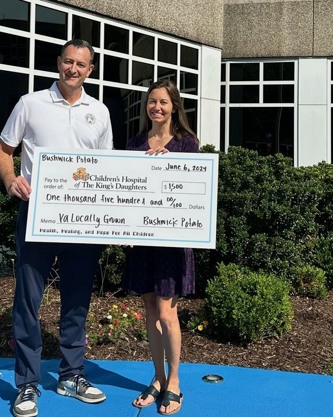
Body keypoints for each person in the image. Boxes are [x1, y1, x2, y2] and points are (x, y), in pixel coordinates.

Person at [0, 39, 113, 417]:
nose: (73, 69)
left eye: (81, 64)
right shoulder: (30, 103)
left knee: (77, 299)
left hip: (84, 221)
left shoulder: (100, 111)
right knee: (27, 301)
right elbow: (3, 150)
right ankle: (27, 383)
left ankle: (71, 375)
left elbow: (107, 169)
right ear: (58, 63)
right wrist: (11, 180)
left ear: (90, 70)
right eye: (68, 61)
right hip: (38, 216)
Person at [124, 79, 199, 416]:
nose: (157, 107)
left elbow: (194, 190)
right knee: (151, 311)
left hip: (171, 243)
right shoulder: (135, 143)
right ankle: (158, 377)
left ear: (174, 107)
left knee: (168, 314)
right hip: (142, 243)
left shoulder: (187, 144)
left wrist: (172, 165)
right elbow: (125, 189)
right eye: (152, 101)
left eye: (163, 102)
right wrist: (122, 226)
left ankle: (175, 381)